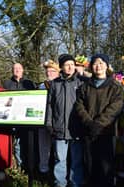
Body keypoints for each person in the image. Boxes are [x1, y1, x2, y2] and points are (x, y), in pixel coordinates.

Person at [74, 54, 123, 187]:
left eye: (101, 63)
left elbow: (115, 107)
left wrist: (99, 124)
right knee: (90, 166)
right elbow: (79, 106)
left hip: (106, 132)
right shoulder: (84, 87)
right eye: (95, 63)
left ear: (106, 66)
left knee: (106, 168)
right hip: (89, 132)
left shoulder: (115, 86)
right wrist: (89, 123)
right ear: (91, 67)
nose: (98, 66)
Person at [46, 54, 85, 187]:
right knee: (60, 160)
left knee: (77, 160)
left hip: (76, 129)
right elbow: (50, 105)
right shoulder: (55, 84)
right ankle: (60, 183)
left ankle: (76, 183)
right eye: (67, 64)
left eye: (72, 64)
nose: (70, 67)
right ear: (61, 67)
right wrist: (49, 123)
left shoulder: (81, 82)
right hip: (59, 128)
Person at [3, 63, 36, 171]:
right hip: (12, 119)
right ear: (12, 71)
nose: (17, 70)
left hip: (26, 118)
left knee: (27, 143)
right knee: (16, 144)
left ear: (23, 70)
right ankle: (20, 166)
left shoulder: (29, 83)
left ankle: (29, 166)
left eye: (19, 68)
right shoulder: (7, 84)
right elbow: (4, 101)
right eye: (15, 69)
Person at [38, 60, 60, 180]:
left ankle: (57, 173)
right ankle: (43, 171)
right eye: (48, 71)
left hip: (57, 121)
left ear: (57, 72)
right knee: (43, 147)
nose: (49, 73)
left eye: (53, 71)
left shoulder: (61, 84)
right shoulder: (41, 85)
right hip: (43, 120)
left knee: (58, 149)